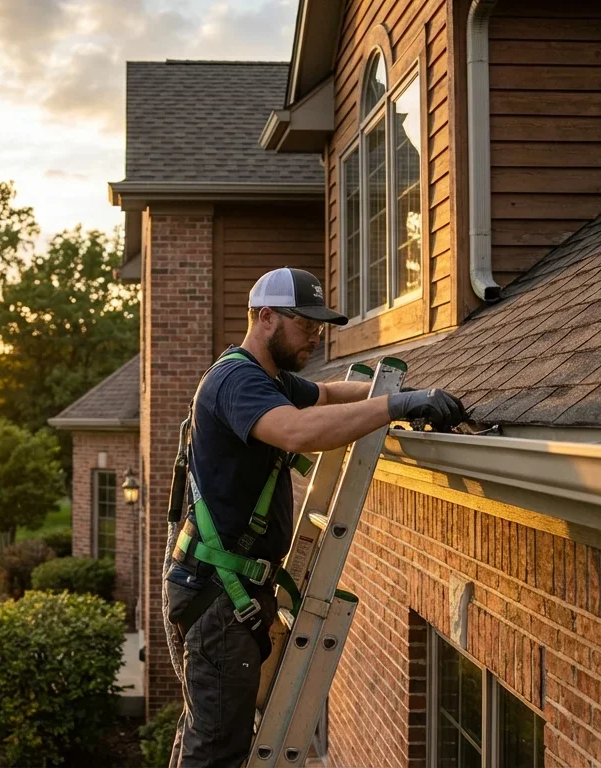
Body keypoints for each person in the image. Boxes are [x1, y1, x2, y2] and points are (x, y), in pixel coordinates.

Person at [162, 267, 465, 768]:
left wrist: (410, 395)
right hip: (219, 596)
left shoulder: (269, 379)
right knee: (216, 752)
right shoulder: (237, 381)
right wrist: (393, 405)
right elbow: (298, 431)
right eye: (305, 325)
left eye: (320, 327)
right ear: (265, 318)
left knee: (208, 735)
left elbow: (325, 396)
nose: (316, 337)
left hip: (227, 590)